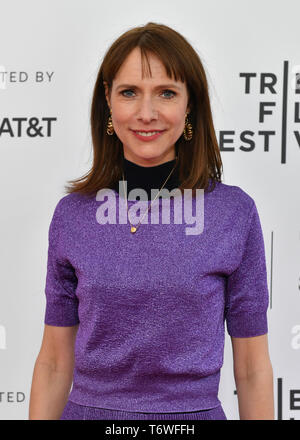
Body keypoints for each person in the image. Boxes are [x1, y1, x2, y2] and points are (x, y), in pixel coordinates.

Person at [29, 22, 274, 420]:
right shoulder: (72, 216)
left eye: (166, 93)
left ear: (189, 104)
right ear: (108, 100)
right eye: (129, 93)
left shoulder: (234, 214)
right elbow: (55, 361)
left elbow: (252, 368)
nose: (147, 113)